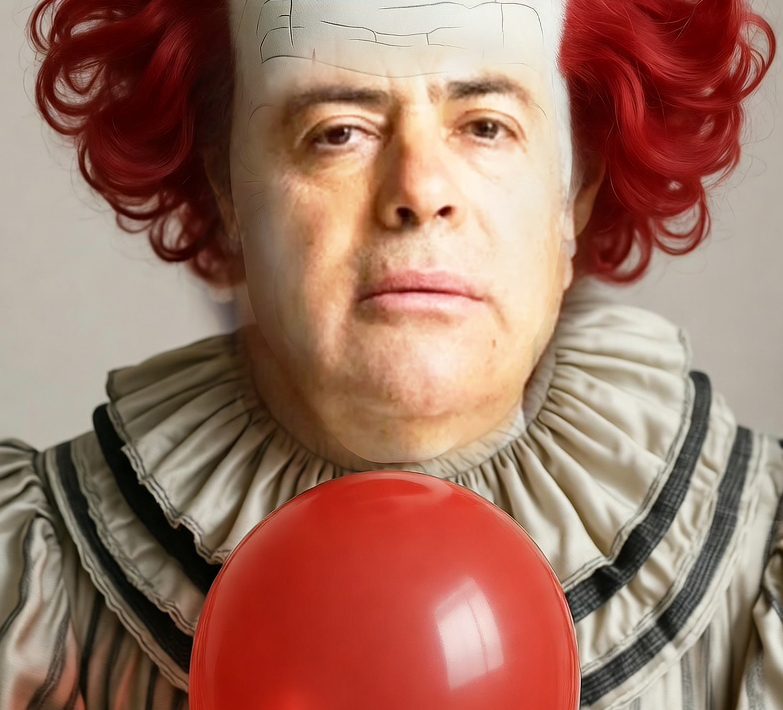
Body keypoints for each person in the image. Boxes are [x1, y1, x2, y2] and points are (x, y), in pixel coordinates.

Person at [1, 0, 780, 707]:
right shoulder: (27, 584)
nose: (418, 190)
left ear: (574, 190)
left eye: (485, 126)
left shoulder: (764, 572)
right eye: (337, 131)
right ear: (225, 187)